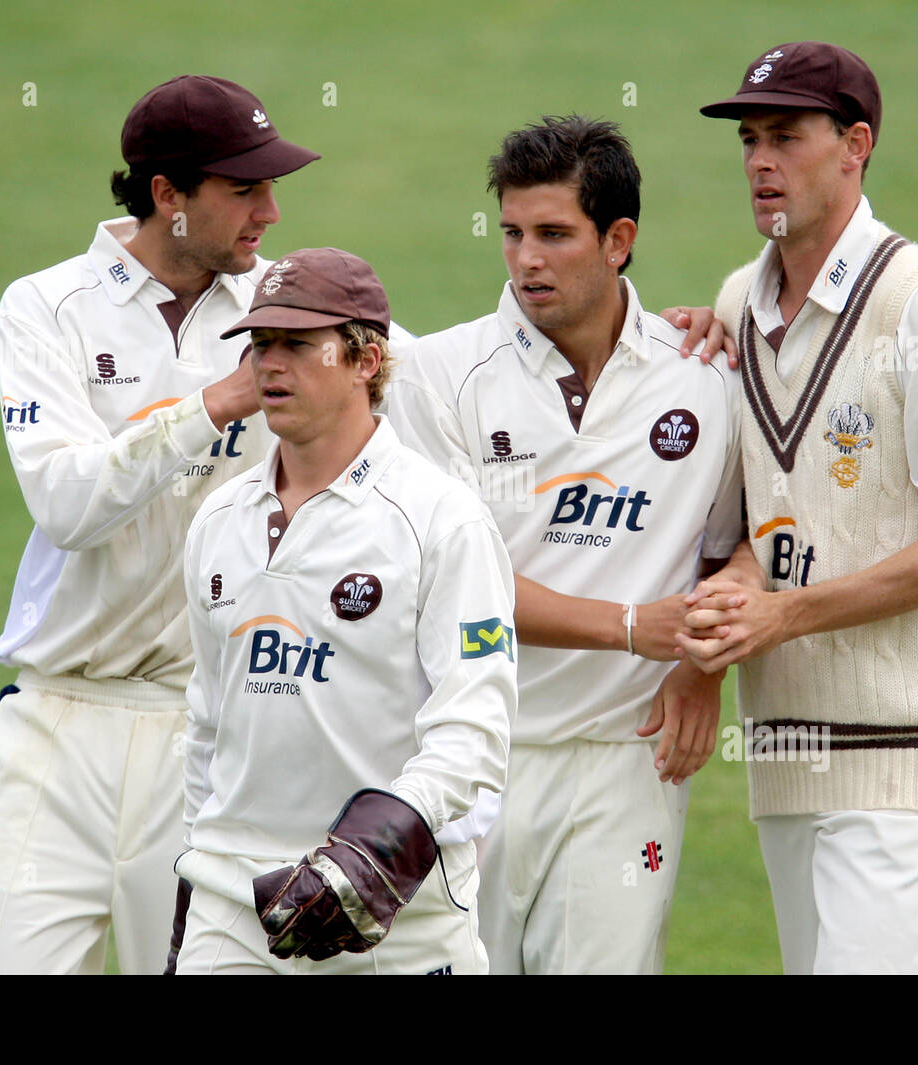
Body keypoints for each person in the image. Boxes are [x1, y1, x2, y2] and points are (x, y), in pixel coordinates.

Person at [681, 42, 918, 974]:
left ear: (856, 144)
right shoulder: (739, 299)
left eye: (787, 138)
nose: (761, 163)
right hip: (789, 745)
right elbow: (772, 525)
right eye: (750, 140)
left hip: (909, 745)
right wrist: (721, 624)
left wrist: (786, 613)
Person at [0, 75, 328, 974]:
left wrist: (681, 328)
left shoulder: (275, 310)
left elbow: (414, 389)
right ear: (167, 196)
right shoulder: (43, 307)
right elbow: (68, 504)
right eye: (245, 189)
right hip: (57, 727)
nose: (271, 211)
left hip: (210, 732)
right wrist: (217, 403)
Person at [388, 116, 745, 974]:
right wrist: (631, 625)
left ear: (618, 240)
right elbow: (458, 589)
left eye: (554, 234)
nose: (525, 259)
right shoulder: (438, 378)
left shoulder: (708, 379)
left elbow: (741, 551)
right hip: (471, 757)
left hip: (628, 763)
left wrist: (702, 667)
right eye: (512, 233)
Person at [169, 247, 517, 974]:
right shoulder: (218, 520)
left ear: (366, 359)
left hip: (398, 919)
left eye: (297, 344)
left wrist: (372, 851)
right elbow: (207, 723)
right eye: (260, 344)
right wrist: (190, 889)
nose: (269, 365)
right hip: (236, 908)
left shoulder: (442, 520)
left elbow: (475, 728)